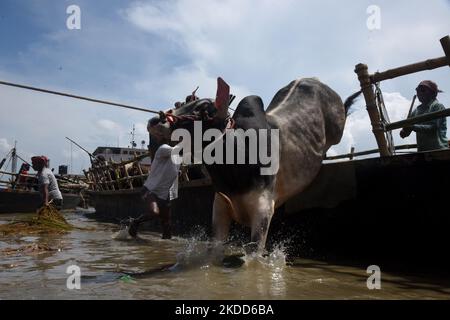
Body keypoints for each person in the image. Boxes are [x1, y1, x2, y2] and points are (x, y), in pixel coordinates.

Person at [128, 118, 181, 239]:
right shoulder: (164, 149)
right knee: (154, 213)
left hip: (164, 194)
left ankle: (164, 251)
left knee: (167, 227)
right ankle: (135, 222)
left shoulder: (178, 157)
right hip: (150, 190)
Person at [400, 80, 448, 152]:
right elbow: (407, 131)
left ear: (432, 93)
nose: (419, 93)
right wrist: (404, 132)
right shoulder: (416, 111)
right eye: (417, 90)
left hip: (439, 150)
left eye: (422, 90)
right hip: (422, 152)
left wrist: (412, 127)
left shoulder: (437, 106)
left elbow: (433, 127)